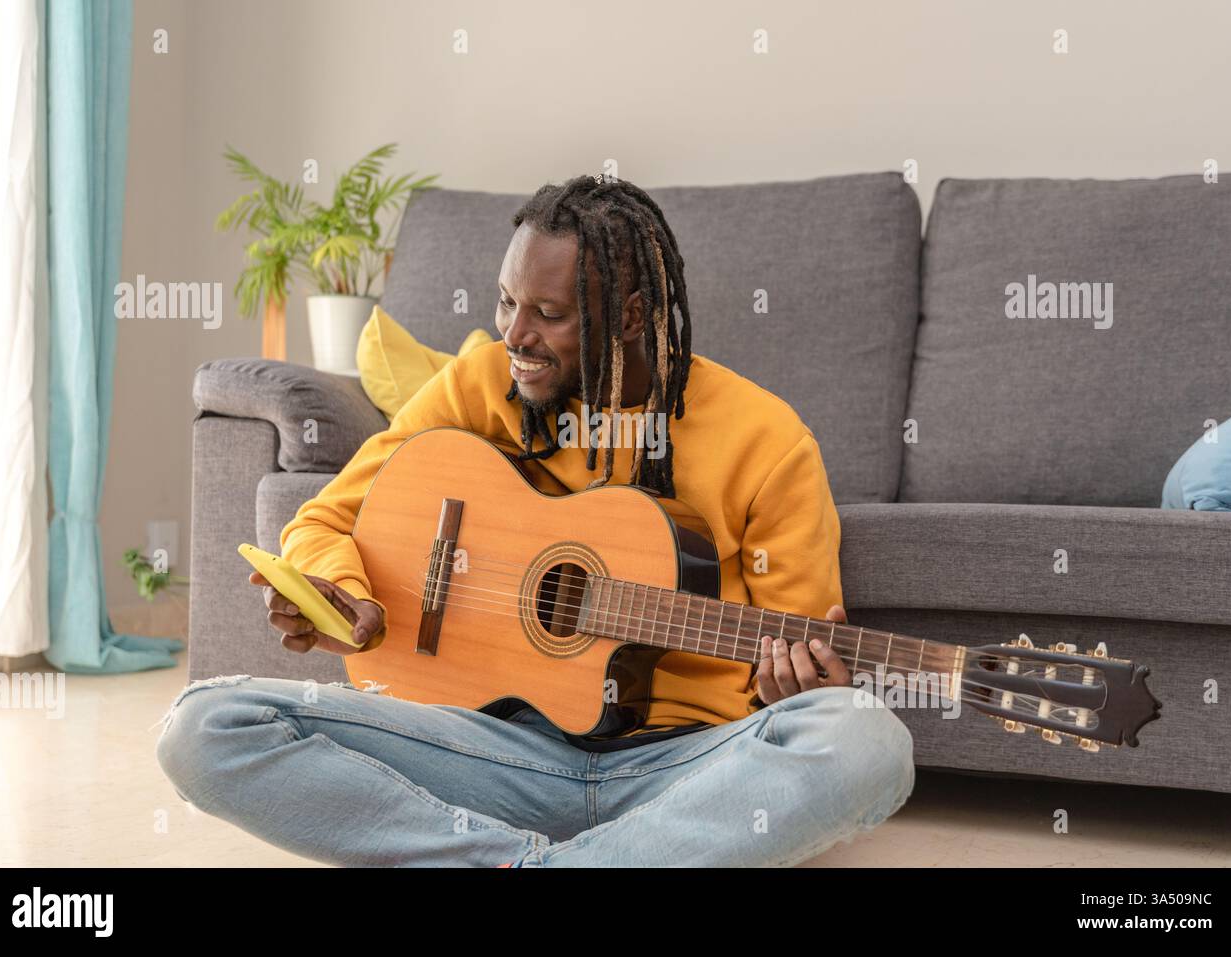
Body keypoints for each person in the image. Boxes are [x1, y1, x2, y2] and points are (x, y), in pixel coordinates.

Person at [156, 174, 914, 867]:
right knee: (204, 726)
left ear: (633, 317)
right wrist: (340, 590)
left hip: (685, 769)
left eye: (548, 315)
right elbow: (326, 518)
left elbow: (804, 669)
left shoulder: (768, 442)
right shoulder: (482, 383)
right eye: (505, 302)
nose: (514, 336)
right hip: (493, 750)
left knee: (866, 739)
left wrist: (803, 688)